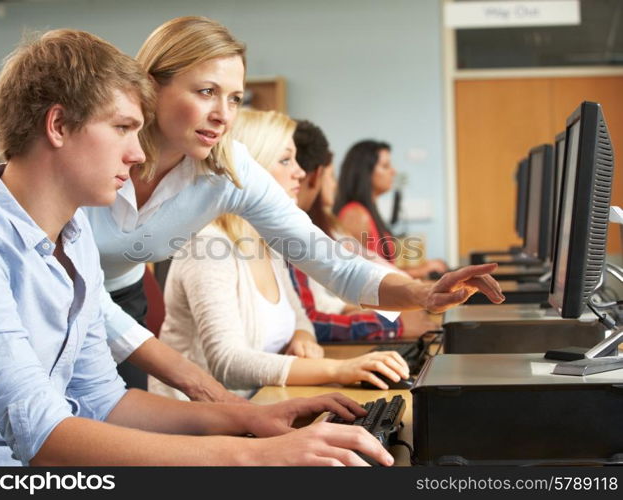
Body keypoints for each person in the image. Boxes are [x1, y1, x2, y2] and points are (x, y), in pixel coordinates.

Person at [0, 29, 392, 467]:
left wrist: (248, 419)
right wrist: (252, 455)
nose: (139, 153)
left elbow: (104, 400)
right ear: (59, 125)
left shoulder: (75, 235)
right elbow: (42, 435)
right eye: (123, 128)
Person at [84, 16, 505, 391]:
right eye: (207, 91)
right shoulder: (95, 148)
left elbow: (329, 261)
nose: (223, 114)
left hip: (122, 295)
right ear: (152, 86)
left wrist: (423, 293)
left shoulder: (229, 169)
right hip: (54, 285)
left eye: (234, 98)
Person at [153, 109, 411, 399]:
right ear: (251, 167)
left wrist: (302, 337)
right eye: (286, 160)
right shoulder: (208, 247)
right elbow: (227, 362)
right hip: (199, 425)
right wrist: (338, 370)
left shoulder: (268, 241)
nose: (300, 171)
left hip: (258, 404)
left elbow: (300, 318)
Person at [291, 121, 438, 341]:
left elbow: (368, 269)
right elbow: (354, 279)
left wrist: (419, 289)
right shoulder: (354, 215)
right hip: (367, 313)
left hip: (382, 306)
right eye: (386, 166)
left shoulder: (353, 216)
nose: (334, 183)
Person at [334, 140, 448, 279]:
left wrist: (423, 267)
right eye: (385, 166)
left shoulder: (368, 212)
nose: (394, 171)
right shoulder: (355, 214)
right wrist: (420, 271)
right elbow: (361, 276)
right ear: (365, 172)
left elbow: (381, 268)